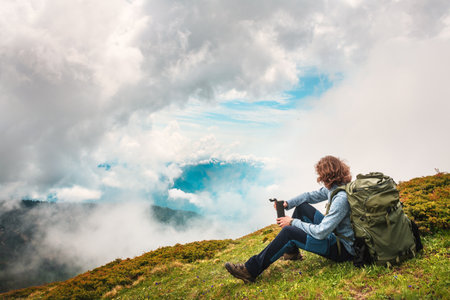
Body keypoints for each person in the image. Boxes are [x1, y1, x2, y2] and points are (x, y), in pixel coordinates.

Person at [225, 155, 355, 283]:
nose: (320, 179)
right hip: (338, 236)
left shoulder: (340, 199)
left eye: (321, 176)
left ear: (327, 176)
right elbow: (309, 196)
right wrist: (288, 203)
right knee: (302, 208)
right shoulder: (337, 187)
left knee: (289, 232)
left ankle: (250, 270)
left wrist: (292, 222)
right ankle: (292, 253)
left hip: (344, 250)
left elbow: (321, 232)